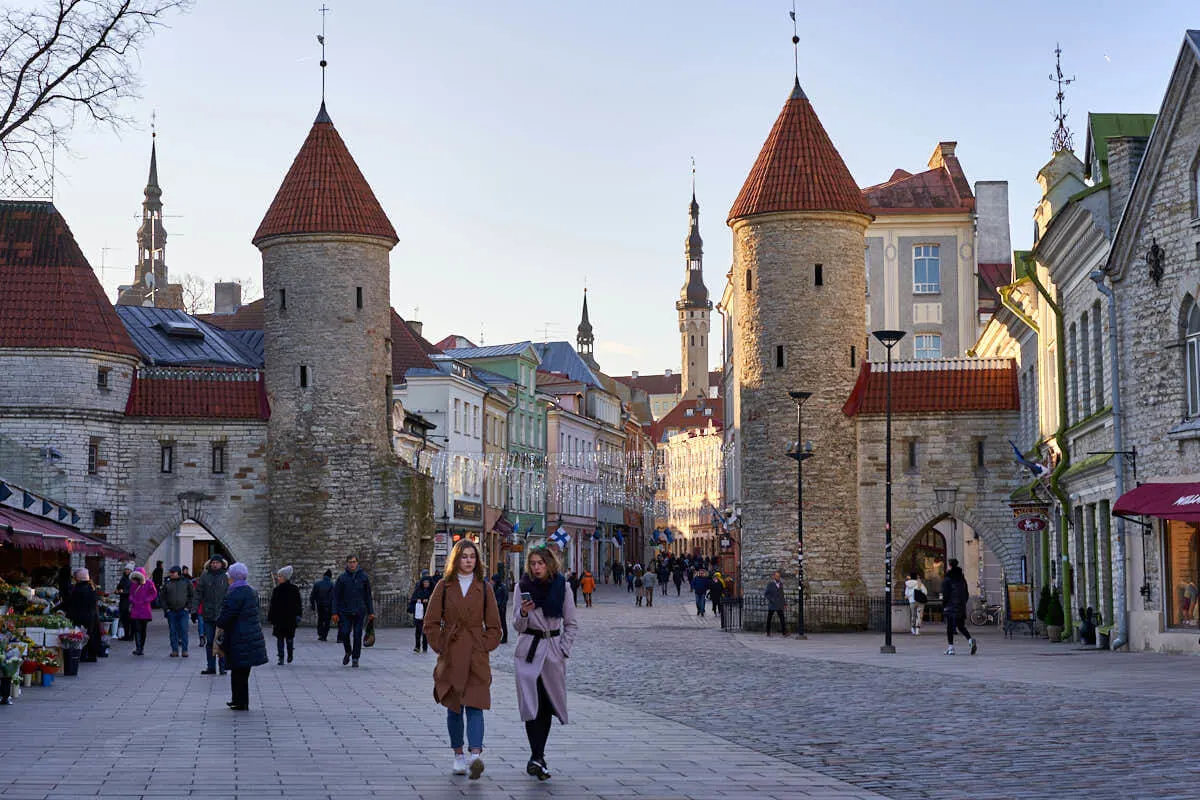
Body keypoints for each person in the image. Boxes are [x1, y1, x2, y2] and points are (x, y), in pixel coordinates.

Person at [423, 540, 502, 780]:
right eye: (464, 556)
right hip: (453, 653)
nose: (468, 560)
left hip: (476, 655)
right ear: (456, 559)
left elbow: (495, 626)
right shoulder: (444, 587)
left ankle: (475, 755)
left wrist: (483, 645)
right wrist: (442, 646)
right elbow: (430, 622)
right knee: (454, 706)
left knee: (476, 704)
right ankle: (458, 755)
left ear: (477, 561)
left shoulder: (484, 588)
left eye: (472, 557)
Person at [513, 545, 577, 781]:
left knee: (547, 706)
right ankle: (537, 757)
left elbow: (571, 623)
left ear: (549, 564)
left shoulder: (563, 587)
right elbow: (517, 626)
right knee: (532, 705)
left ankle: (537, 758)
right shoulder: (522, 587)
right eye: (533, 563)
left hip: (552, 651)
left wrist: (563, 649)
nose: (536, 567)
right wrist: (523, 612)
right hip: (528, 650)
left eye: (540, 563)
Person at [213, 562, 269, 710]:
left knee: (238, 671)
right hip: (251, 634)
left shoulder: (235, 593)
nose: (228, 579)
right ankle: (240, 700)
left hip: (239, 636)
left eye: (229, 577)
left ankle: (239, 701)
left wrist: (218, 622)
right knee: (243, 671)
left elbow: (228, 615)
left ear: (234, 577)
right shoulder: (251, 591)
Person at [332, 555, 374, 667]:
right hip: (345, 610)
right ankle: (348, 651)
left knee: (357, 634)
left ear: (357, 563)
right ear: (347, 563)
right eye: (350, 562)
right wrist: (335, 612)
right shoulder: (342, 578)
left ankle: (355, 658)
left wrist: (371, 612)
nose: (352, 564)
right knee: (344, 633)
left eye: (354, 562)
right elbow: (336, 596)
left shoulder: (363, 578)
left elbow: (368, 596)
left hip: (359, 610)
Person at [197, 557, 229, 675]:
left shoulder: (225, 577)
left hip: (221, 614)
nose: (215, 565)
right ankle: (211, 667)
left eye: (217, 563)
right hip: (208, 614)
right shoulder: (205, 577)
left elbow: (229, 594)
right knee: (210, 642)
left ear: (221, 564)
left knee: (221, 641)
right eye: (213, 563)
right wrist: (195, 609)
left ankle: (222, 667)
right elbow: (198, 593)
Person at [62, 568, 102, 662]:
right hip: (91, 615)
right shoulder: (91, 587)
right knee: (90, 634)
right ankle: (91, 655)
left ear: (78, 578)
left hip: (80, 615)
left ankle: (83, 655)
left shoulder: (79, 588)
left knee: (81, 635)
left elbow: (71, 602)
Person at [267, 566, 302, 665]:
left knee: (287, 638)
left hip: (288, 618)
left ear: (285, 577)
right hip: (281, 618)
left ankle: (288, 654)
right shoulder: (278, 590)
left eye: (280, 576)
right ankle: (281, 656)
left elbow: (298, 603)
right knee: (281, 638)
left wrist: (298, 615)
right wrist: (271, 617)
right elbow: (273, 604)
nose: (278, 578)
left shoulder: (292, 589)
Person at [942, 559, 976, 656]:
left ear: (949, 566)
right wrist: (963, 603)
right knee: (960, 626)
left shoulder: (947, 578)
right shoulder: (962, 578)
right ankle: (970, 640)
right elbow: (966, 593)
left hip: (950, 606)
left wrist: (944, 605)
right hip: (960, 606)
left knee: (949, 627)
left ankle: (951, 648)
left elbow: (946, 594)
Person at [161, 565, 194, 658]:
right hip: (171, 611)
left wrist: (188, 607)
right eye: (170, 572)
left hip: (183, 611)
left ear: (178, 573)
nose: (170, 574)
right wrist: (166, 608)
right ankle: (174, 650)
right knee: (173, 631)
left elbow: (192, 595)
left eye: (173, 572)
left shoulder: (186, 582)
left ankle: (184, 650)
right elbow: (162, 597)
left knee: (184, 630)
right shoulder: (167, 583)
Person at [128, 567, 157, 655]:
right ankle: (138, 648)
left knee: (143, 630)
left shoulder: (149, 583)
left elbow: (154, 593)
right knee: (137, 629)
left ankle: (141, 647)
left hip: (144, 610)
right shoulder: (133, 584)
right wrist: (132, 600)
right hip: (136, 609)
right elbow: (131, 594)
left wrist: (146, 600)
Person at [309, 569, 335, 641]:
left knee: (320, 619)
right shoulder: (332, 585)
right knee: (327, 621)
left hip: (319, 604)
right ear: (330, 577)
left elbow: (312, 596)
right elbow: (333, 597)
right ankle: (324, 635)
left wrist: (313, 605)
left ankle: (320, 633)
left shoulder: (317, 584)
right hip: (328, 606)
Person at [904, 571, 928, 636]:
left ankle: (912, 628)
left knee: (913, 615)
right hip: (919, 601)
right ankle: (917, 630)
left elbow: (906, 594)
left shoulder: (907, 584)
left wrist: (910, 597)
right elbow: (925, 592)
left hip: (911, 602)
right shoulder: (919, 583)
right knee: (918, 616)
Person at [764, 572, 787, 637]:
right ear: (774, 577)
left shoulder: (781, 584)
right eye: (777, 576)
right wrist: (771, 600)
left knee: (782, 618)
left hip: (779, 604)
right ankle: (767, 632)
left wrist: (784, 603)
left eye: (779, 576)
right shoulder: (770, 584)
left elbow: (782, 595)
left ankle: (784, 632)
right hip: (772, 604)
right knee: (769, 618)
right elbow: (766, 594)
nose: (778, 577)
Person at [116, 563, 134, 641]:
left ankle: (130, 636)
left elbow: (131, 590)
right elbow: (119, 586)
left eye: (128, 569)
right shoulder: (123, 578)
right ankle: (126, 635)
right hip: (123, 600)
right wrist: (118, 590)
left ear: (131, 571)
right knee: (124, 618)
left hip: (129, 601)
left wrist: (122, 591)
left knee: (129, 619)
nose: (126, 571)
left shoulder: (132, 579)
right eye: (126, 569)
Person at [492, 573, 510, 645]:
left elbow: (506, 597)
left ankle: (505, 637)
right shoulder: (495, 587)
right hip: (496, 607)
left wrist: (502, 606)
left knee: (503, 622)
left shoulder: (503, 587)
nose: (492, 582)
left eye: (493, 580)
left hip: (501, 608)